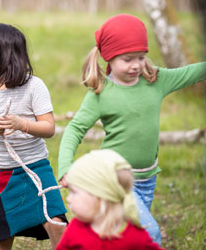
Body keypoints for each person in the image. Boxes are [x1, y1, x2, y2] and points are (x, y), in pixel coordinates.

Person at [58, 14, 206, 245]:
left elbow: (190, 74)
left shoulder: (155, 80)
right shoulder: (101, 93)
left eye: (141, 57)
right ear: (109, 57)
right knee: (149, 233)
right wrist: (65, 167)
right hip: (116, 178)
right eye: (128, 59)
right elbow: (75, 129)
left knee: (125, 234)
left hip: (148, 178)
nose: (136, 64)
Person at [0, 23, 67, 250]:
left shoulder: (34, 86)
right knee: (2, 238)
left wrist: (22, 124)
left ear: (4, 56)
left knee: (56, 223)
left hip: (35, 169)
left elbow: (49, 127)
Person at [56, 149, 165, 250]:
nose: (68, 199)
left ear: (100, 197)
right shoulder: (75, 228)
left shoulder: (135, 238)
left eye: (74, 192)